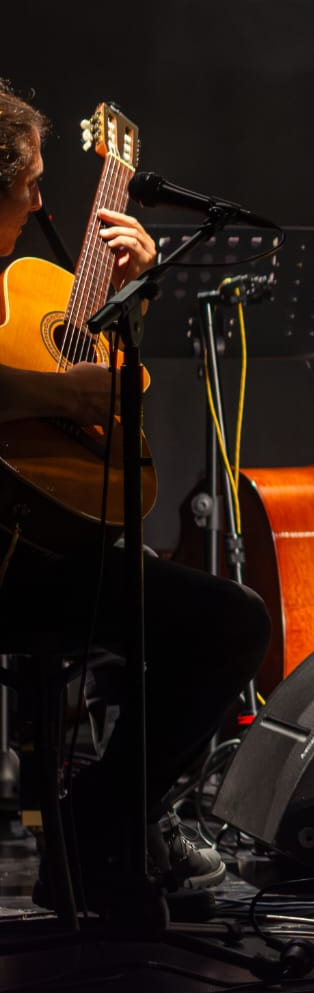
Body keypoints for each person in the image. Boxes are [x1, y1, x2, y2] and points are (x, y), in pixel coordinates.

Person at [0, 79, 270, 925]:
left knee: (231, 617)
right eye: (32, 181)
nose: (43, 199)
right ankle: (100, 832)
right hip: (6, 561)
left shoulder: (21, 286)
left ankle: (102, 824)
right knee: (220, 621)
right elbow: (79, 397)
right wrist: (64, 398)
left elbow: (111, 397)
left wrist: (134, 296)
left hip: (50, 548)